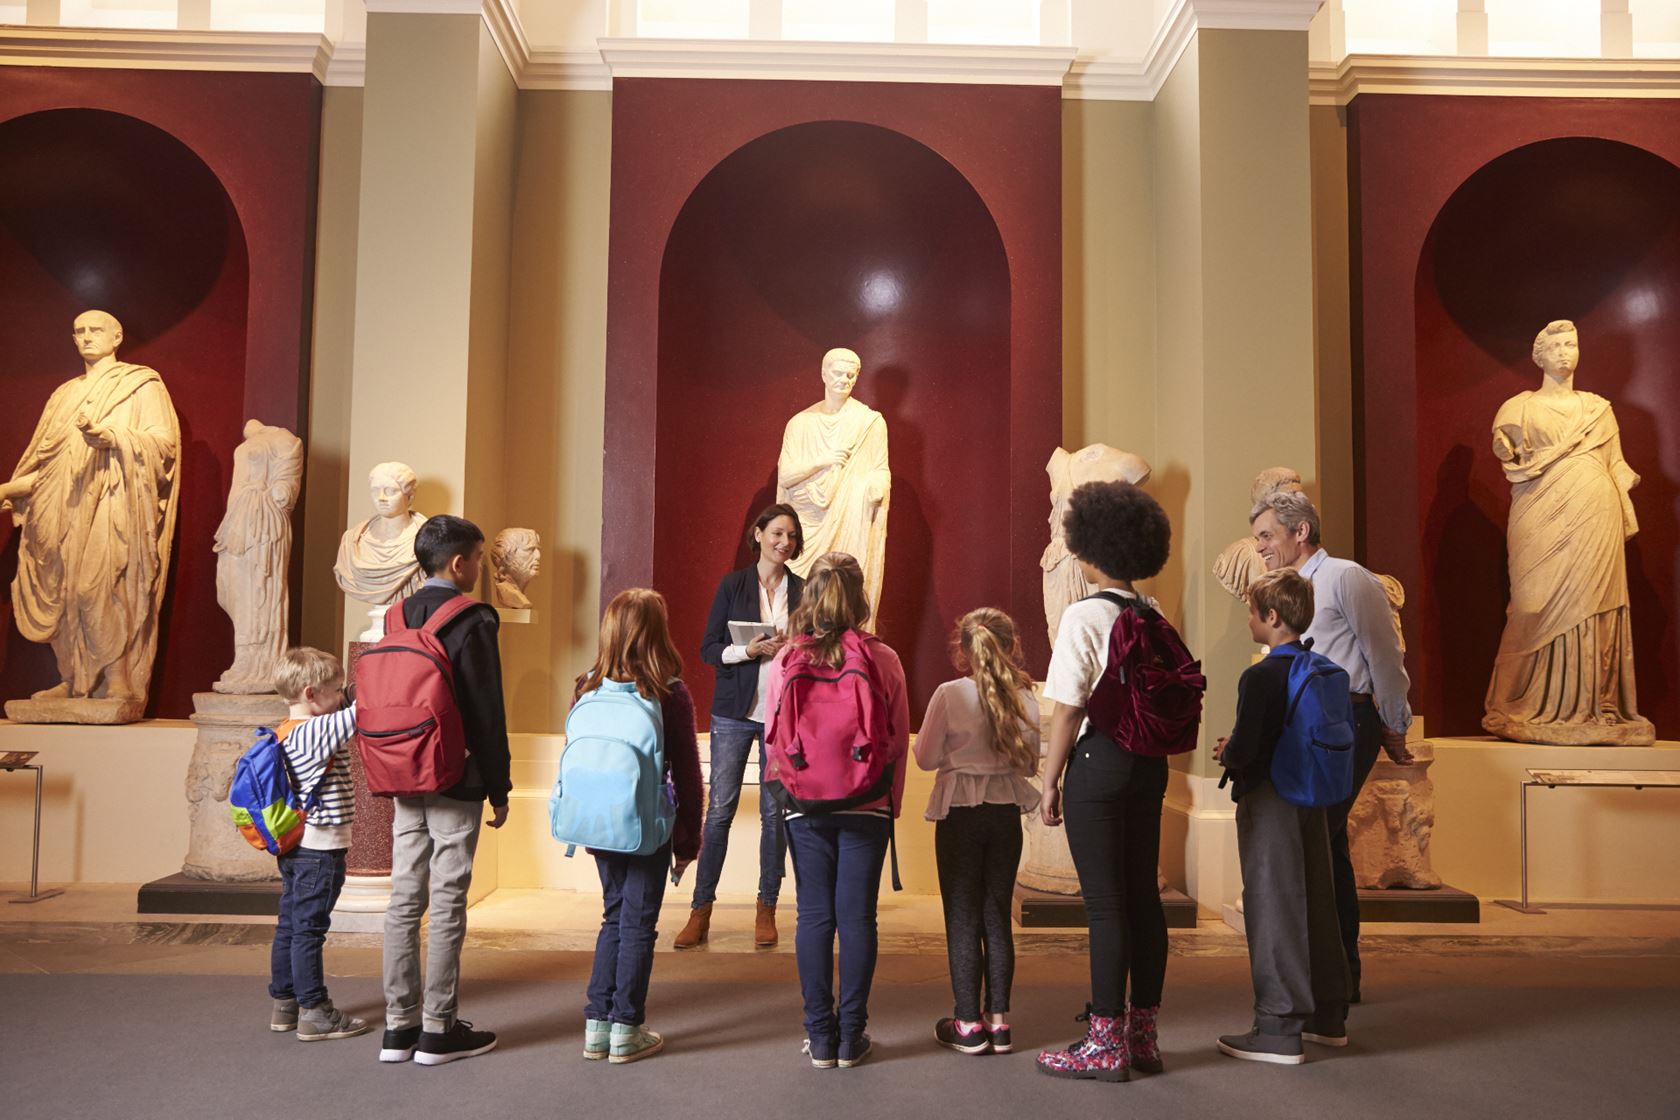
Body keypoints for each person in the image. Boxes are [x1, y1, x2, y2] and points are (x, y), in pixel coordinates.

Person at [1250, 489, 1412, 1002]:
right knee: (1327, 845)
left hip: (1346, 723)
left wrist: (1395, 724)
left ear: (1301, 531)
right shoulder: (1285, 587)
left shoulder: (1346, 577)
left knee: (1317, 844)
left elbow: (1384, 655)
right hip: (1302, 729)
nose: (1260, 546)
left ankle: (1326, 980)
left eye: (1266, 535)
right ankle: (1338, 976)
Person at [1036, 481, 1174, 1083]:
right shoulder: (1153, 613)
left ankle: (1103, 1044)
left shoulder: (1084, 615)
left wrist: (1050, 781)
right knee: (1143, 897)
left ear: (1091, 548)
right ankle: (1142, 1037)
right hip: (1150, 763)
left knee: (1105, 905)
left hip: (1101, 762)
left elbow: (1068, 709)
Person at [764, 552, 909, 1069]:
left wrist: (784, 796)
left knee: (813, 917)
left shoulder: (787, 659)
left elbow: (772, 739)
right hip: (867, 801)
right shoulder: (882, 657)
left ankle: (820, 1038)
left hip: (804, 802)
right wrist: (890, 804)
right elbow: (897, 742)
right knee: (858, 918)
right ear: (859, 598)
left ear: (810, 597)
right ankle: (851, 1037)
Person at [380, 515, 511, 1067]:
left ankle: (398, 1028)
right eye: (478, 559)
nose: (479, 568)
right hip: (457, 776)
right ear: (458, 563)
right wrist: (500, 785)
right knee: (449, 897)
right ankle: (438, 1028)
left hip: (402, 770)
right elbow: (486, 709)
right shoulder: (473, 618)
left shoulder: (395, 615)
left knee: (404, 898)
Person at [1483, 319, 1653, 745]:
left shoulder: (1598, 409)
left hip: (1595, 509)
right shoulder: (1519, 407)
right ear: (1539, 357)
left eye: (1571, 345)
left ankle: (1592, 705)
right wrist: (1506, 448)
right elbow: (1507, 448)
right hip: (1538, 508)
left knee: (1593, 606)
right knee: (1531, 604)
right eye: (1556, 346)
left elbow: (1616, 464)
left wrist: (1623, 485)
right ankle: (1517, 704)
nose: (1565, 353)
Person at [1, 309, 181, 709]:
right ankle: (72, 680)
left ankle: (117, 679)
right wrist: (11, 489)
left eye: (95, 329)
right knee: (63, 589)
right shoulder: (63, 396)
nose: (85, 336)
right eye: (78, 331)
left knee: (96, 586)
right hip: (60, 506)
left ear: (117, 337)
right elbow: (47, 463)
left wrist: (112, 437)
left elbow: (164, 443)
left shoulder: (141, 384)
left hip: (113, 500)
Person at [1213, 569, 1350, 1065]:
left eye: (1251, 612)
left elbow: (1247, 749)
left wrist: (1227, 751)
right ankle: (1327, 1017)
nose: (1248, 620)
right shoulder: (1324, 668)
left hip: (1271, 798)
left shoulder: (1261, 676)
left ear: (1272, 617)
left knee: (1273, 906)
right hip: (1312, 795)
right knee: (1317, 901)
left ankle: (1277, 1026)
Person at [574, 589, 704, 1063]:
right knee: (639, 924)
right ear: (657, 633)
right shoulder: (669, 692)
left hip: (597, 822)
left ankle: (597, 1026)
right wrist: (688, 841)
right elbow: (687, 775)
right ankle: (627, 1027)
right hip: (647, 826)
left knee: (613, 916)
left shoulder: (586, 686)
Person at [677, 503, 805, 951]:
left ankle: (766, 907)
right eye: (777, 533)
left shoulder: (802, 590)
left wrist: (792, 649)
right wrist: (748, 651)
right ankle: (700, 910)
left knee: (774, 814)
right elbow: (708, 649)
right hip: (733, 713)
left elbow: (814, 650)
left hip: (781, 714)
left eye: (791, 535)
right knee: (719, 812)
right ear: (758, 534)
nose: (784, 542)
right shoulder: (732, 585)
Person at [914, 608, 1041, 1056]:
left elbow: (924, 758)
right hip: (1004, 813)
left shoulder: (950, 695)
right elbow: (1030, 763)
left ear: (964, 651)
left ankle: (967, 1024)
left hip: (960, 814)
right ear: (1011, 646)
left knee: (963, 917)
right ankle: (998, 1023)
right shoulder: (1024, 697)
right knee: (996, 916)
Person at [266, 646, 369, 1042]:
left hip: (295, 844)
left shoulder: (286, 730)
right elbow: (365, 711)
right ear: (311, 694)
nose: (341, 695)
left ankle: (285, 1004)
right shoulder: (316, 731)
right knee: (310, 930)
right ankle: (315, 1011)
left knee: (290, 924)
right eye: (335, 689)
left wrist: (346, 690)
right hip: (320, 849)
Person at [776, 348, 891, 621]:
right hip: (806, 524)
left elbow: (880, 469)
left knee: (844, 592)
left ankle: (848, 640)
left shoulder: (870, 423)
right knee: (801, 596)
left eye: (850, 375)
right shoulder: (800, 424)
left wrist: (876, 486)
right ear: (824, 375)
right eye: (838, 373)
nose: (844, 379)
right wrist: (822, 461)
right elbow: (786, 476)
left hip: (851, 520)